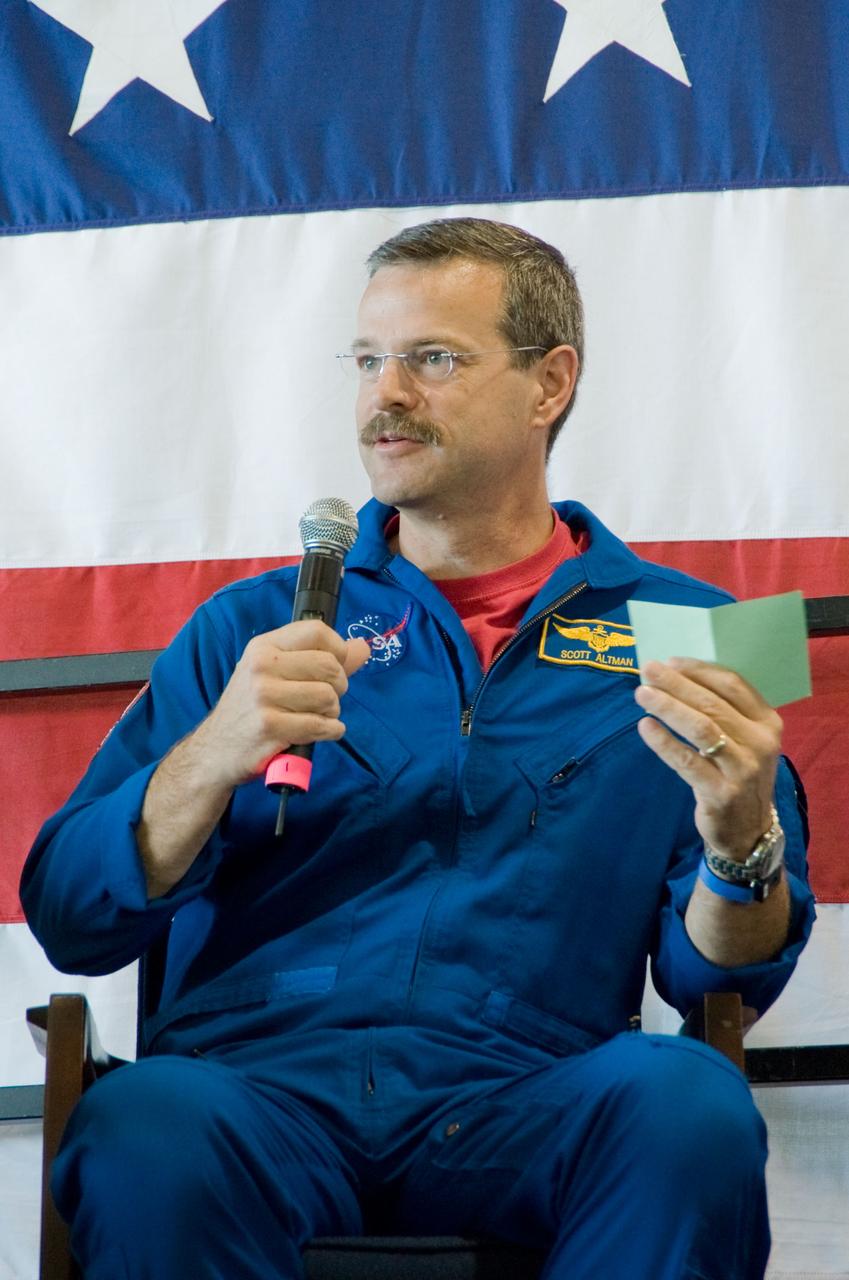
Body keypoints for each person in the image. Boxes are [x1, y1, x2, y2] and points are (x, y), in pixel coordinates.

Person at [21, 217, 814, 1280]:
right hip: (259, 1085)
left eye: (432, 358)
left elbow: (727, 974)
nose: (384, 395)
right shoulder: (250, 627)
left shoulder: (692, 631)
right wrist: (211, 754)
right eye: (367, 359)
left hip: (527, 1084)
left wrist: (739, 839)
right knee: (145, 1121)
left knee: (687, 1106)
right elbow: (72, 913)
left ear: (549, 384)